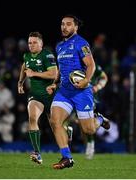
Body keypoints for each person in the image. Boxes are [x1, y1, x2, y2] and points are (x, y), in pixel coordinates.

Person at [47, 14, 110, 169]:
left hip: (82, 92)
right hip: (64, 92)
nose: (64, 27)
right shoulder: (59, 46)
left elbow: (91, 66)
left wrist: (86, 81)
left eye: (68, 24)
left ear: (75, 27)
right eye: (62, 24)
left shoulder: (81, 43)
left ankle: (100, 119)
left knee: (88, 130)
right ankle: (67, 158)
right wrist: (55, 84)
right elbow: (61, 71)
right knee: (55, 121)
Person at [18, 32, 57, 164]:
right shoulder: (27, 56)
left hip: (50, 96)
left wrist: (34, 73)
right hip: (35, 96)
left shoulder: (47, 55)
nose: (31, 45)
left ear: (41, 43)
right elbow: (24, 66)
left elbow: (53, 74)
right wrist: (20, 82)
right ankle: (37, 153)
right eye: (30, 42)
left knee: (55, 126)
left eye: (34, 42)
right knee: (32, 118)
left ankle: (67, 129)